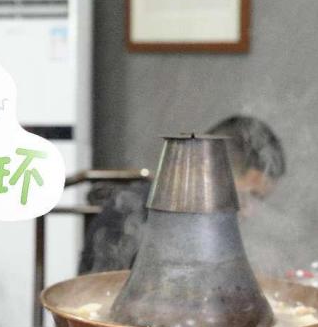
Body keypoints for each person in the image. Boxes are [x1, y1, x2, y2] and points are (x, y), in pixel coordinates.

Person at [79, 115, 286, 275]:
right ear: (208, 169)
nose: (249, 212)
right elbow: (102, 298)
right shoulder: (132, 213)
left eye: (260, 200)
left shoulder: (207, 226)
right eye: (247, 196)